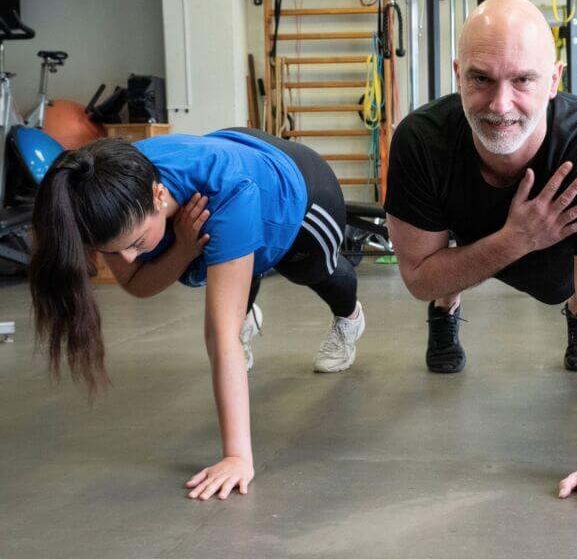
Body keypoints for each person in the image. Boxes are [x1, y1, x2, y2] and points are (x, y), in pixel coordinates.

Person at [384, 0, 577, 511]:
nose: (500, 105)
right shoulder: (420, 141)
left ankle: (562, 311)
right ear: (458, 74)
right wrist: (515, 238)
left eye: (523, 80)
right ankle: (448, 314)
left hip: (561, 256)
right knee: (440, 280)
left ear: (554, 80)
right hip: (469, 238)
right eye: (481, 79)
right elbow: (417, 278)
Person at [29, 128, 365, 501]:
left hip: (299, 191)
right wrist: (183, 251)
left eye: (137, 243)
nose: (127, 258)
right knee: (225, 269)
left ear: (159, 197)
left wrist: (237, 457)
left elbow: (219, 338)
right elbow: (138, 284)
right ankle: (242, 308)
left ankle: (350, 316)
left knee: (313, 273)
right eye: (114, 252)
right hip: (232, 164)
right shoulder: (106, 191)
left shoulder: (226, 195)